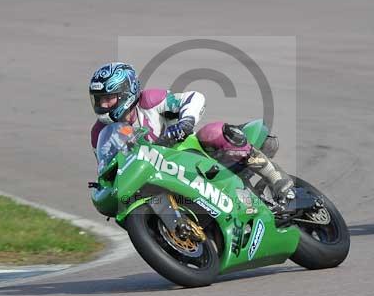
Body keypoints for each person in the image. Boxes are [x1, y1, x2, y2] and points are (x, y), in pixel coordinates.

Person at [88, 62, 294, 201]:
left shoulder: (150, 101)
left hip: (187, 153)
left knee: (211, 132)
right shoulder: (99, 133)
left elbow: (193, 97)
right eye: (99, 100)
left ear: (126, 92)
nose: (103, 105)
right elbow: (107, 167)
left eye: (109, 98)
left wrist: (185, 123)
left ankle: (274, 176)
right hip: (156, 176)